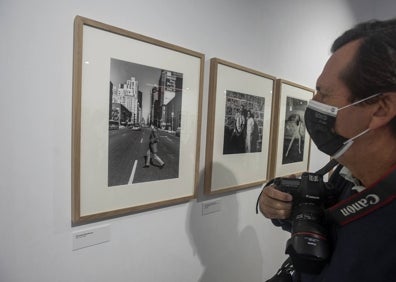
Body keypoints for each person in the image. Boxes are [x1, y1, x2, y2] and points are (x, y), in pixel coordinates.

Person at [258, 18, 396, 281]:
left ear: (381, 108)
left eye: (323, 94)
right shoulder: (346, 175)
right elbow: (332, 231)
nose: (313, 104)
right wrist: (286, 208)